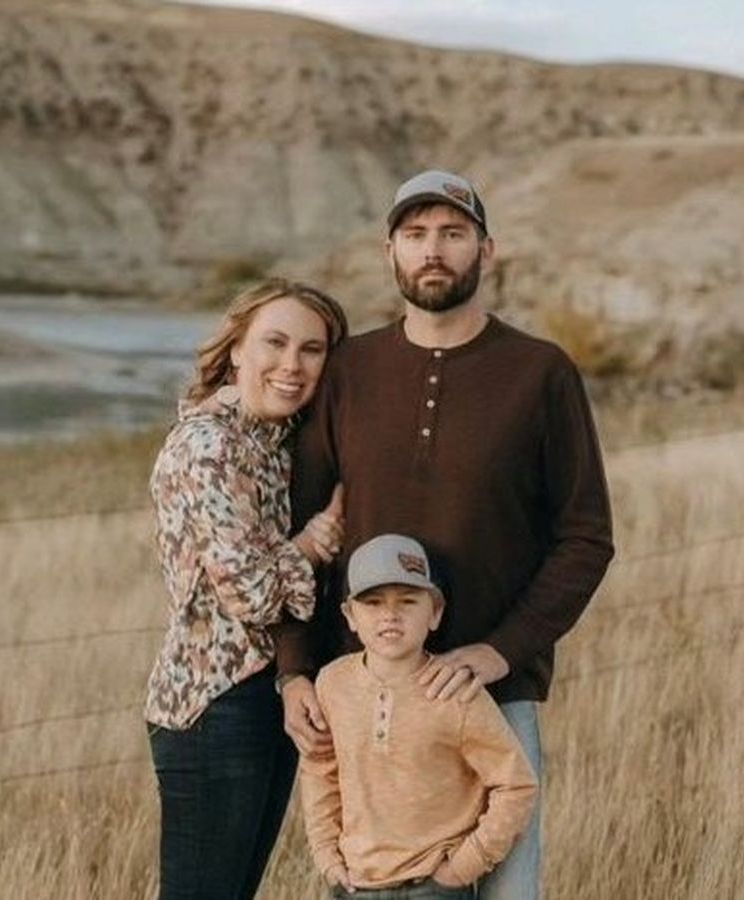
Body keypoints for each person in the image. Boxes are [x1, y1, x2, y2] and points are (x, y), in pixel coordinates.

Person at [276, 169, 615, 899]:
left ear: (486, 251)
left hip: (492, 693)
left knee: (508, 891)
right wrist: (295, 669)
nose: (433, 250)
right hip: (370, 697)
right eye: (416, 234)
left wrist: (499, 651)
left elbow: (586, 537)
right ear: (390, 251)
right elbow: (301, 534)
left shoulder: (540, 373)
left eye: (453, 233)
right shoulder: (349, 370)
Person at [144, 278, 349, 900]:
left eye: (312, 350)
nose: (292, 365)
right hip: (214, 704)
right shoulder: (209, 446)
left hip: (269, 692)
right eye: (275, 343)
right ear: (237, 348)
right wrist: (310, 545)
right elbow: (253, 593)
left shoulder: (277, 442)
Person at [300, 534, 538, 900]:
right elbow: (320, 770)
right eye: (373, 602)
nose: (390, 615)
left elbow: (516, 784)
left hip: (433, 886)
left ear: (435, 612)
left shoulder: (455, 691)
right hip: (356, 885)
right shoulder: (333, 684)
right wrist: (327, 857)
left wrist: (463, 867)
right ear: (350, 615)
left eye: (408, 601)